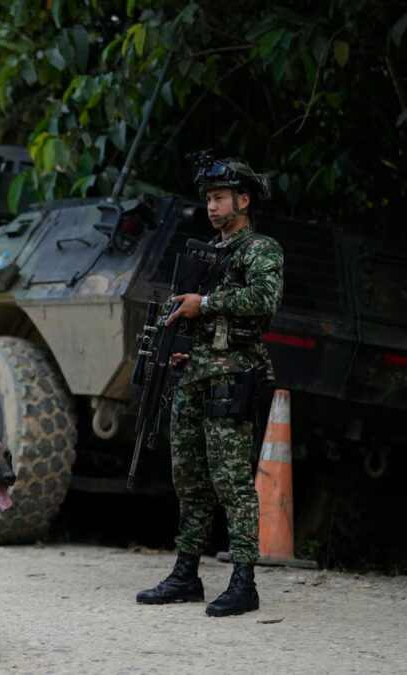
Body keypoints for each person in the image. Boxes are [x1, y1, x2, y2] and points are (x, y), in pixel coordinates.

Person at [136, 156, 283, 616]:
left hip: (232, 377)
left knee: (233, 482)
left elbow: (265, 298)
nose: (212, 207)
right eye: (208, 200)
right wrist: (185, 347)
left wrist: (207, 303)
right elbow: (200, 317)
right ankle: (186, 574)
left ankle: (244, 581)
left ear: (243, 200)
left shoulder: (260, 248)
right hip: (195, 375)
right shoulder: (209, 252)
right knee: (190, 480)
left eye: (219, 198)